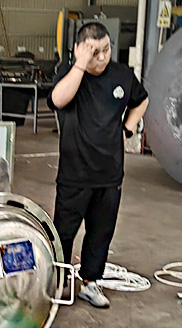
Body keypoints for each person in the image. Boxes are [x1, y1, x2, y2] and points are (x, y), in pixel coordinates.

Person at [47, 22, 149, 308]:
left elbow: (141, 100)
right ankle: (58, 282)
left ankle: (91, 283)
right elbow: (57, 100)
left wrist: (127, 129)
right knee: (63, 233)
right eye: (94, 52)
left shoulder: (122, 75)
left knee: (101, 232)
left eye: (106, 50)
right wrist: (80, 64)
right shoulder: (69, 75)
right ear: (80, 50)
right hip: (75, 174)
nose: (102, 57)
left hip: (109, 174)